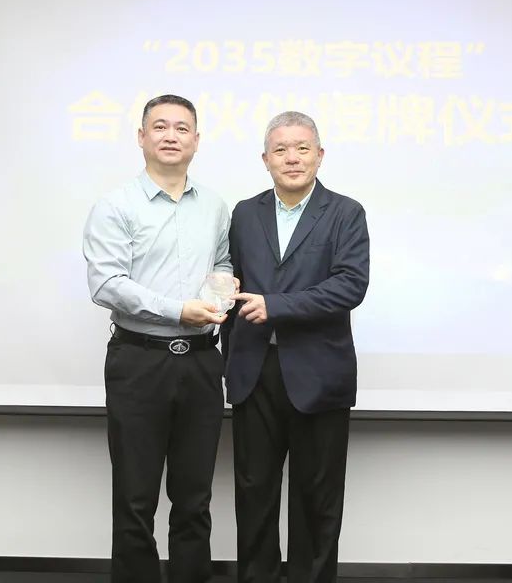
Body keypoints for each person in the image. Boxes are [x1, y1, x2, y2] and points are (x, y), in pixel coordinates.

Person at [83, 94, 231, 583]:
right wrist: (178, 309)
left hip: (202, 363)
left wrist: (221, 289)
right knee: (135, 498)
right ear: (141, 137)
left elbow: (223, 263)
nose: (171, 136)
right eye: (161, 126)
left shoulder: (215, 206)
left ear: (197, 140)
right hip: (139, 361)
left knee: (194, 499)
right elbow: (107, 284)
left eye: (182, 128)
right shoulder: (115, 205)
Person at [222, 111, 370, 583]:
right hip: (254, 372)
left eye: (302, 148)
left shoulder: (346, 212)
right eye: (281, 149)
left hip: (318, 374)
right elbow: (231, 282)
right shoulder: (245, 213)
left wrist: (276, 306)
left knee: (317, 499)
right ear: (265, 159)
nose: (292, 158)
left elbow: (350, 285)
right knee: (254, 495)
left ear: (319, 156)